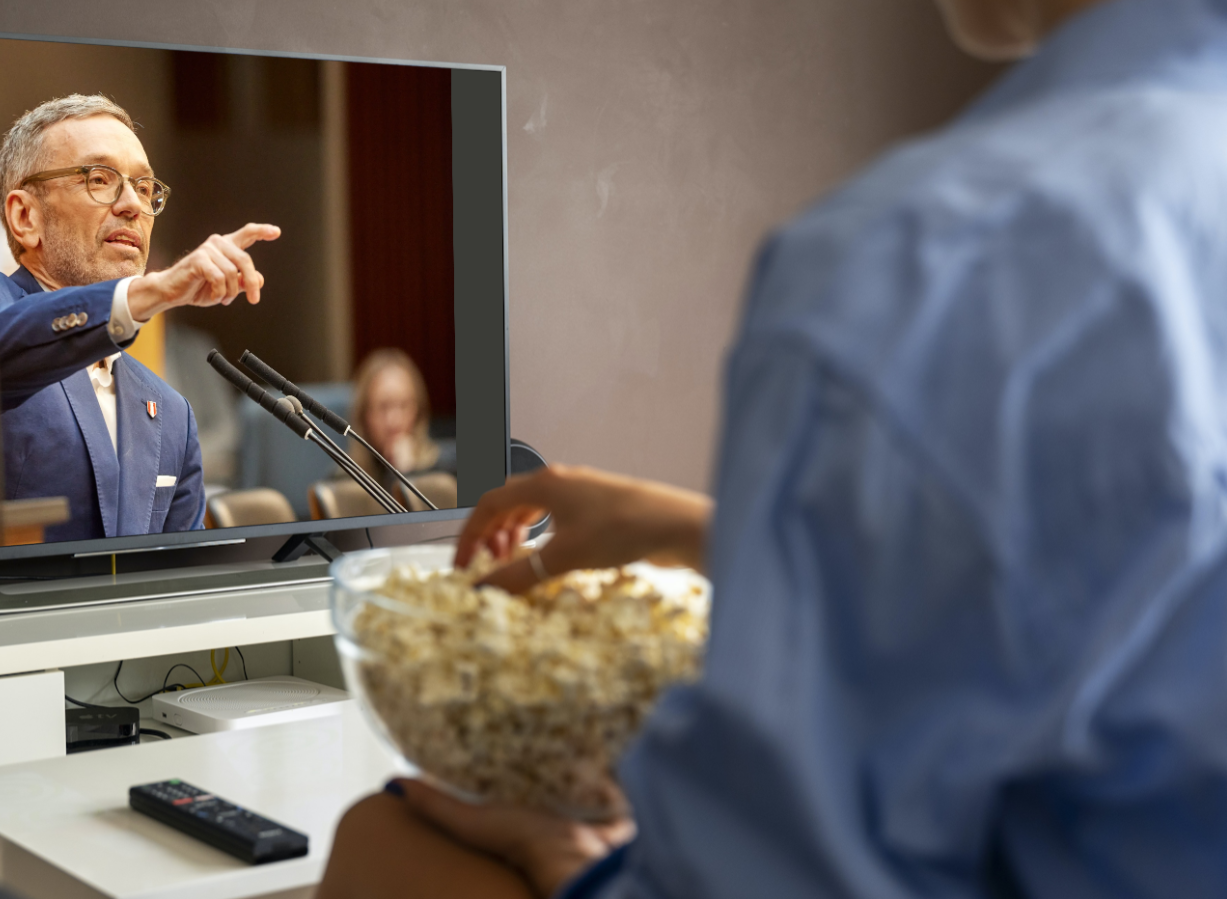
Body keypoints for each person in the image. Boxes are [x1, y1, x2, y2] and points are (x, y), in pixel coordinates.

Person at [318, 0, 1227, 896]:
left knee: (375, 836)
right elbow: (1105, 579)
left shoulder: (937, 255)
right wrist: (683, 526)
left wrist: (568, 865)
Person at [0, 94, 280, 542]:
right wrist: (144, 293)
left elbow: (176, 586)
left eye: (145, 188)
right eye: (100, 179)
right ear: (24, 216)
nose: (132, 205)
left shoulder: (170, 413)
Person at [348, 348, 451, 485]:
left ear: (418, 412)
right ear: (364, 415)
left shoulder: (445, 474)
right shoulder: (342, 480)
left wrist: (408, 472)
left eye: (403, 405)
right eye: (383, 407)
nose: (394, 421)